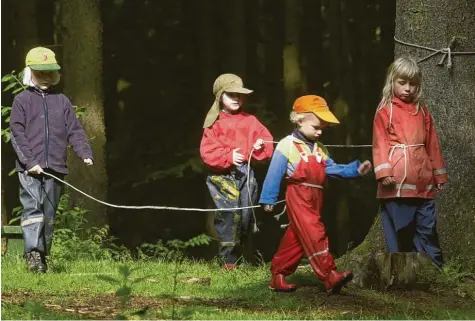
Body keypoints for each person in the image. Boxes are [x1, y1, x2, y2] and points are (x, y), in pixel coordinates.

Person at [259, 95, 372, 293]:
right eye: (316, 127)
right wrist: (268, 198)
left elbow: (333, 169)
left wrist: (356, 170)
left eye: (323, 128)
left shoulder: (320, 150)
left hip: (316, 197)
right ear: (299, 120)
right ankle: (329, 275)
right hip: (298, 195)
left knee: (297, 238)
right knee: (314, 231)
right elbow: (274, 172)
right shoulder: (286, 145)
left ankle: (278, 275)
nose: (320, 132)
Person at [10, 47, 94, 272]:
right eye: (40, 73)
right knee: (33, 209)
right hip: (30, 168)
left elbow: (74, 130)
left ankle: (43, 255)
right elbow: (17, 134)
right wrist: (30, 162)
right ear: (30, 73)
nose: (45, 78)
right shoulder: (22, 100)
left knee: (48, 213)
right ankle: (32, 254)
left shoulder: (62, 101)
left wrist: (84, 152)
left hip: (55, 168)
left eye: (49, 73)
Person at [372, 56, 447, 268]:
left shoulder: (423, 112)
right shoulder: (385, 111)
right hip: (395, 184)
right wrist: (384, 171)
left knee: (427, 227)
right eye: (402, 83)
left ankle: (433, 270)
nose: (408, 89)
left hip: (423, 181)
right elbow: (379, 144)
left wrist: (439, 174)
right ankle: (399, 271)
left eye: (412, 84)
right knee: (400, 229)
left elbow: (433, 145)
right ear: (392, 82)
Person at [200, 73, 274, 269]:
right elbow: (208, 152)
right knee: (229, 217)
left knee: (246, 217)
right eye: (230, 94)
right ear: (219, 97)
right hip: (222, 177)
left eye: (239, 95)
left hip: (246, 175)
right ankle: (228, 263)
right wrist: (228, 157)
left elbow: (267, 145)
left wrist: (258, 147)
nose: (236, 98)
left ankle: (244, 260)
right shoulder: (213, 123)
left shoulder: (251, 121)